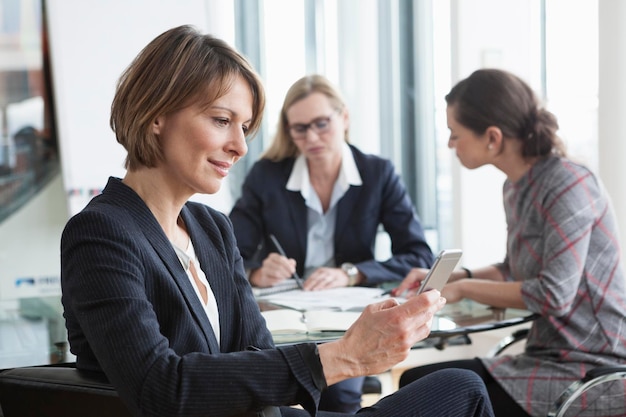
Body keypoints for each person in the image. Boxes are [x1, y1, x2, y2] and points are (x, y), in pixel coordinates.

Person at [60, 25, 494, 417]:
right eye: (221, 120)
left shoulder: (210, 228)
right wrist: (345, 355)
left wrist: (352, 351)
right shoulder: (102, 233)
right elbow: (159, 387)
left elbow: (260, 353)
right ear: (156, 115)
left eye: (244, 127)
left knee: (461, 386)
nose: (239, 147)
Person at [396, 68, 626, 417]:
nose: (450, 145)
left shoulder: (568, 184)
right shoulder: (516, 187)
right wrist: (458, 278)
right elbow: (511, 269)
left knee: (430, 399)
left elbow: (553, 295)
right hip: (545, 356)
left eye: (454, 134)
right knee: (417, 383)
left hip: (594, 366)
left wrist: (467, 289)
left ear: (492, 137)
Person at [228, 74, 434, 412]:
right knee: (260, 386)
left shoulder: (376, 174)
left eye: (321, 124)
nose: (311, 137)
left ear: (344, 118)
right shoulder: (267, 175)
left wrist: (352, 273)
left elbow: (418, 255)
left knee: (336, 392)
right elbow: (229, 250)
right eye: (300, 128)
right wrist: (255, 273)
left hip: (348, 319)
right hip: (281, 316)